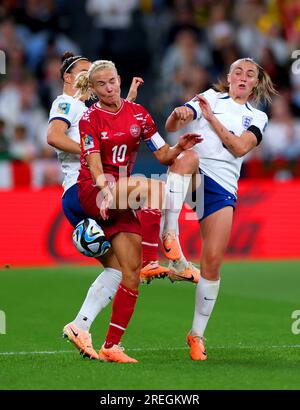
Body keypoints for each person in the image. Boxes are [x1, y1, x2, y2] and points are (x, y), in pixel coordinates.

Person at [75, 59, 202, 362]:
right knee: (153, 189)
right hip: (97, 191)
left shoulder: (139, 114)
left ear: (119, 79)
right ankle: (152, 258)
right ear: (93, 89)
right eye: (102, 84)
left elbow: (162, 154)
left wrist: (179, 147)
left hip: (125, 195)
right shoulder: (89, 119)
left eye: (113, 81)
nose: (110, 87)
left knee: (129, 275)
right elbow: (93, 160)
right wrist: (105, 192)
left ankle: (111, 346)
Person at [47, 52, 169, 361]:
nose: (91, 79)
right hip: (82, 189)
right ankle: (163, 255)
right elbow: (54, 136)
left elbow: (112, 126)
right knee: (155, 191)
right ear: (68, 78)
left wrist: (127, 102)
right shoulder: (68, 103)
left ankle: (80, 326)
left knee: (120, 270)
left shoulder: (87, 108)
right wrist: (93, 151)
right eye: (85, 73)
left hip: (87, 191)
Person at [161, 57, 277, 360]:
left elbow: (239, 147)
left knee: (212, 263)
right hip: (194, 177)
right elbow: (174, 123)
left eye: (249, 73)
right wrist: (180, 114)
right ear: (229, 77)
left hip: (223, 188)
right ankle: (169, 235)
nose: (242, 76)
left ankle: (196, 336)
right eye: (237, 70)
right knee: (188, 158)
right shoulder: (209, 97)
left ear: (254, 84)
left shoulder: (257, 117)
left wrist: (211, 119)